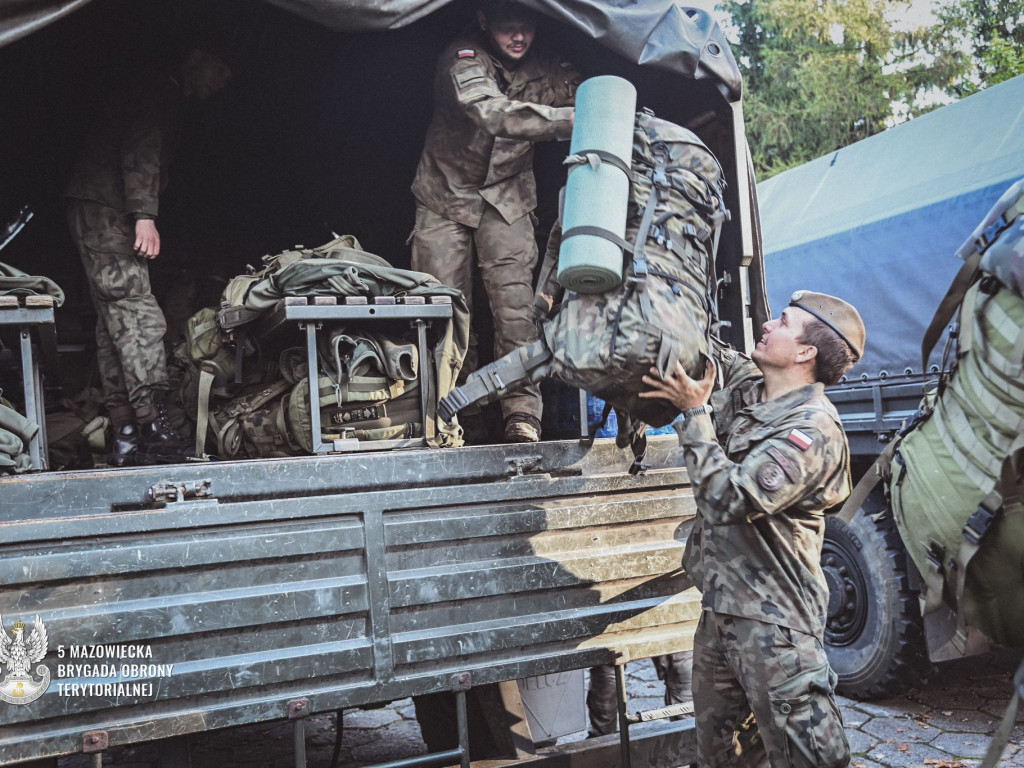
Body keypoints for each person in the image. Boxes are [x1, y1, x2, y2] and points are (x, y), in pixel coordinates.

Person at [640, 291, 865, 768]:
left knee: (811, 760)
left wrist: (695, 414)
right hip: (721, 613)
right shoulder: (752, 389)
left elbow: (727, 499)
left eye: (782, 322)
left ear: (805, 352)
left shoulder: (812, 431)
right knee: (722, 757)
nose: (767, 325)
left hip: (776, 626)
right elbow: (702, 348)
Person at [410, 0, 579, 443]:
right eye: (507, 27)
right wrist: (572, 120)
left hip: (508, 198)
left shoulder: (550, 68)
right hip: (445, 195)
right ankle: (454, 417)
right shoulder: (462, 58)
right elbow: (490, 111)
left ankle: (522, 414)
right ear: (484, 22)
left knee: (518, 310)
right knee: (444, 313)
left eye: (527, 26)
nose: (518, 36)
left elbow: (592, 98)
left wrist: (609, 115)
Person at [64, 39, 236, 466]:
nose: (223, 82)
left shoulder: (158, 90)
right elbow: (140, 150)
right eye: (220, 69)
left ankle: (126, 433)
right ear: (195, 58)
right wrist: (144, 215)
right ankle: (155, 427)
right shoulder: (158, 91)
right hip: (109, 209)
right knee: (138, 314)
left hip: (95, 206)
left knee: (114, 322)